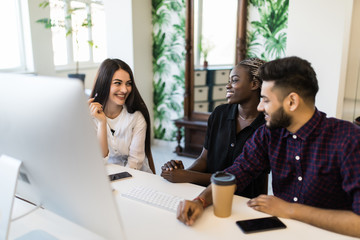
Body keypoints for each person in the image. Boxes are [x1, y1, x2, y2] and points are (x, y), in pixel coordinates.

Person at [176, 56, 360, 238]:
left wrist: (290, 210)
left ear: (292, 102)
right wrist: (200, 201)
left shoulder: (347, 139)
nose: (260, 107)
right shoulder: (268, 134)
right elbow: (237, 172)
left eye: (265, 99)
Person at [161, 58, 268, 198]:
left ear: (254, 84)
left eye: (234, 80)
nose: (227, 86)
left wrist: (187, 175)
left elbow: (239, 177)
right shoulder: (219, 114)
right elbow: (204, 159)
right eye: (228, 80)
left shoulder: (266, 127)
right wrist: (180, 173)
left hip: (243, 200)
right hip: (207, 195)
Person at [88, 58, 155, 174]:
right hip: (105, 176)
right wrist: (102, 123)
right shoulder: (92, 116)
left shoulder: (136, 117)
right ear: (104, 83)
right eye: (117, 83)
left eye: (128, 84)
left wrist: (118, 180)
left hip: (136, 176)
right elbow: (100, 161)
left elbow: (136, 162)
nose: (124, 90)